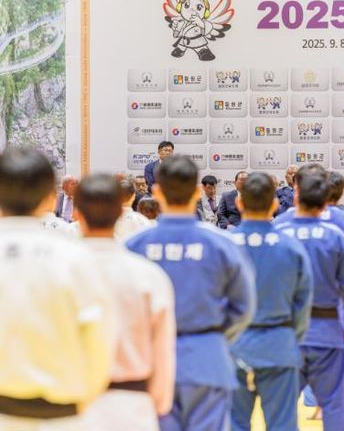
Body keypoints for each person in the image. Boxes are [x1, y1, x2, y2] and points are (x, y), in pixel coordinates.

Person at [127, 156, 256, 431]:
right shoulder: (222, 244)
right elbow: (243, 307)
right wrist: (214, 337)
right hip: (207, 359)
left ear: (156, 192)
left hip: (150, 362)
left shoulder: (134, 246)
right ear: (197, 192)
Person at [0, 147, 114, 431]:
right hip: (64, 414)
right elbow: (100, 340)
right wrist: (85, 398)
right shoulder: (76, 257)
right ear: (52, 197)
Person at [75, 174, 176, 431]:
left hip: (70, 405)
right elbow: (163, 351)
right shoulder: (149, 275)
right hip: (132, 406)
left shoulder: (59, 271)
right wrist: (158, 404)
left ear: (77, 213)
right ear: (121, 212)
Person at [274, 168, 344, 431]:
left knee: (282, 405)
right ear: (326, 200)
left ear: (295, 196)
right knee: (335, 402)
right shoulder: (336, 235)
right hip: (327, 329)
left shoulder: (278, 229)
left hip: (285, 330)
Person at [230, 172, 313, 431]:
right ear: (275, 204)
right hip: (279, 342)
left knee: (233, 424)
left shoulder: (224, 246)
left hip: (233, 348)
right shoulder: (291, 247)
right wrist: (290, 337)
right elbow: (303, 303)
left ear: (239, 203)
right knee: (282, 425)